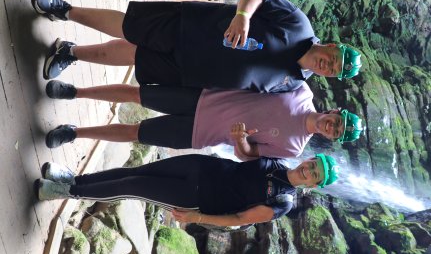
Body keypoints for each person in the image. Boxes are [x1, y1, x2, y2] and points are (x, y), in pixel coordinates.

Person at [31, 0, 362, 93]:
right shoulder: (299, 25)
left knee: (133, 56)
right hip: (193, 26)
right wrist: (243, 16)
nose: (328, 66)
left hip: (189, 72)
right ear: (332, 46)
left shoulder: (293, 84)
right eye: (333, 59)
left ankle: (70, 52)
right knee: (127, 27)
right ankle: (65, 10)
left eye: (333, 71)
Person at [43, 81, 364, 160]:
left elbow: (248, 156)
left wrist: (240, 139)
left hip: (199, 133)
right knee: (136, 94)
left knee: (135, 132)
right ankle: (75, 91)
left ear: (332, 138)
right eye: (337, 121)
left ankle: (74, 132)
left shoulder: (294, 149)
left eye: (336, 132)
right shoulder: (302, 89)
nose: (331, 127)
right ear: (335, 111)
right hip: (203, 96)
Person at [34, 154, 339, 227]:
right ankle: (74, 180)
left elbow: (239, 218)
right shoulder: (278, 161)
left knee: (132, 187)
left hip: (195, 197)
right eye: (313, 165)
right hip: (199, 165)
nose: (309, 170)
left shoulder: (283, 202)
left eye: (315, 175)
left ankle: (65, 193)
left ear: (313, 185)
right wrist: (240, 138)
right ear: (310, 159)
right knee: (134, 172)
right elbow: (244, 157)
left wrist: (197, 218)